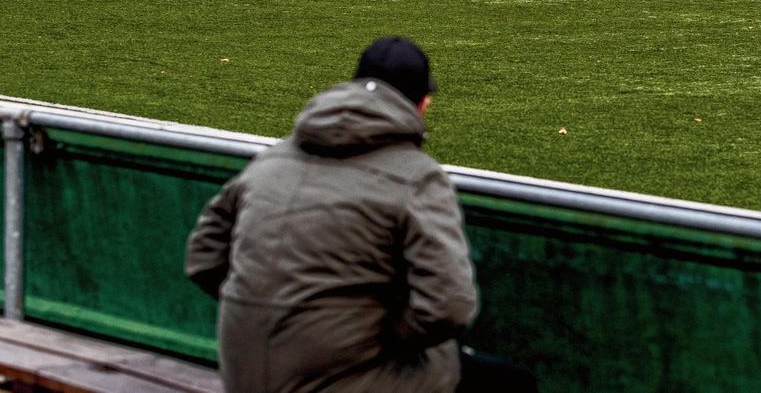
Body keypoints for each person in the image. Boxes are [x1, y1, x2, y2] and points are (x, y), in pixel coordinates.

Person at [185, 37, 537, 393]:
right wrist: (374, 334)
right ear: (423, 104)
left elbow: (202, 258)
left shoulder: (274, 157)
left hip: (244, 371)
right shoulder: (416, 175)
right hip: (341, 373)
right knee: (510, 383)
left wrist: (271, 315)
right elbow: (450, 306)